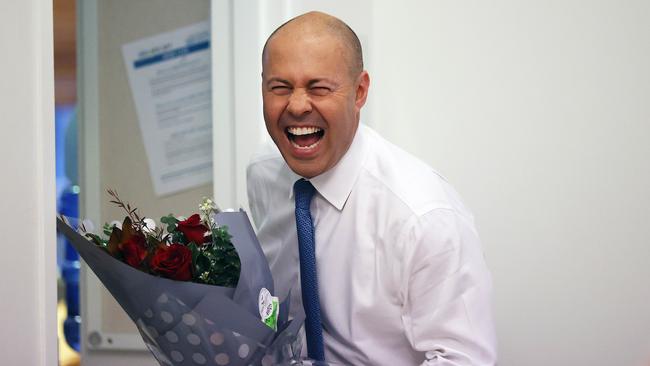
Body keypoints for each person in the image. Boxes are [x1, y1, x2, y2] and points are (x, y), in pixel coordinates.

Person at [247, 11, 497, 365]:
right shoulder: (264, 174)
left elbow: (463, 359)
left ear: (359, 91)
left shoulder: (423, 217)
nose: (297, 105)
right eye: (280, 87)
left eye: (319, 87)